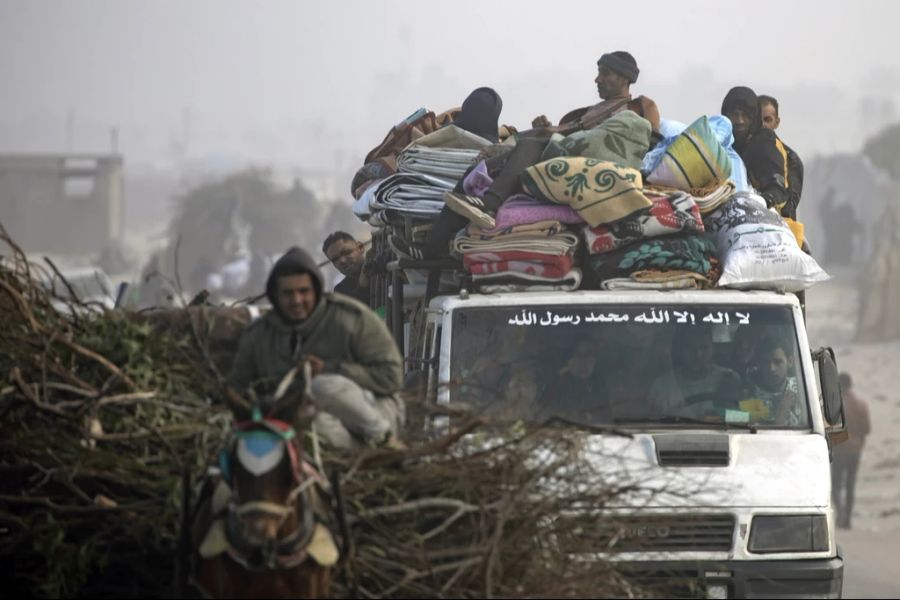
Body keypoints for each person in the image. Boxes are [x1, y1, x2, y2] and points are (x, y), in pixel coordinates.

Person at [228, 246, 405, 451]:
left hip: (375, 412)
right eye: (287, 293)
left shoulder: (351, 319)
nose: (296, 301)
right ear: (275, 295)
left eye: (303, 292)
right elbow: (239, 388)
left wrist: (332, 369)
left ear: (316, 290)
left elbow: (392, 378)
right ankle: (359, 455)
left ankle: (384, 442)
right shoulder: (259, 335)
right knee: (308, 425)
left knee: (323, 385)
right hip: (302, 423)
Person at [721, 87, 799, 220]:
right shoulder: (725, 145)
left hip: (774, 224)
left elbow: (778, 190)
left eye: (745, 115)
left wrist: (760, 202)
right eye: (734, 115)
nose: (739, 121)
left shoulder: (764, 143)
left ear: (754, 117)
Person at [648, 326, 741, 419]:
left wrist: (720, 416)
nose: (698, 355)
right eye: (690, 348)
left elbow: (742, 419)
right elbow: (650, 425)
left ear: (712, 349)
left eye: (704, 348)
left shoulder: (728, 379)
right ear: (680, 350)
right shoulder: (661, 387)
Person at [832, 372, 871, 529]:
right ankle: (847, 519)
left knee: (836, 484)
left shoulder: (835, 405)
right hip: (855, 450)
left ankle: (840, 513)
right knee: (850, 484)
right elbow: (867, 429)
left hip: (839, 448)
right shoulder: (861, 404)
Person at [758, 94, 805, 219]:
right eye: (758, 120)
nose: (762, 125)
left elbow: (789, 206)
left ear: (777, 122)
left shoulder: (791, 159)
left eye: (768, 120)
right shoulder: (741, 151)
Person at [740, 337, 804, 426]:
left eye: (778, 362)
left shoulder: (802, 390)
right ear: (760, 364)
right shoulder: (749, 395)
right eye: (766, 363)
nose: (772, 369)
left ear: (790, 362)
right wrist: (783, 409)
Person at [322, 231, 370, 305]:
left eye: (346, 252)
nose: (342, 260)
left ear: (360, 247)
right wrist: (362, 287)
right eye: (335, 259)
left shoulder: (384, 269)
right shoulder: (341, 291)